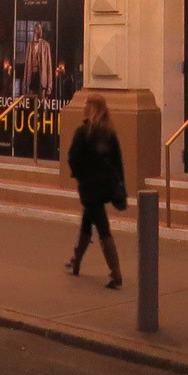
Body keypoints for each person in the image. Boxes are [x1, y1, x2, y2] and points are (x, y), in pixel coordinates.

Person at [63, 94, 126, 289]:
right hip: (104, 186)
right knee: (87, 222)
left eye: (86, 104)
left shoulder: (84, 132)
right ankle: (76, 261)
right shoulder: (109, 133)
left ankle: (116, 273)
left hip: (90, 187)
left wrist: (81, 176)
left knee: (102, 227)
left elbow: (73, 158)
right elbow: (118, 162)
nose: (83, 107)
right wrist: (120, 184)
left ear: (91, 108)